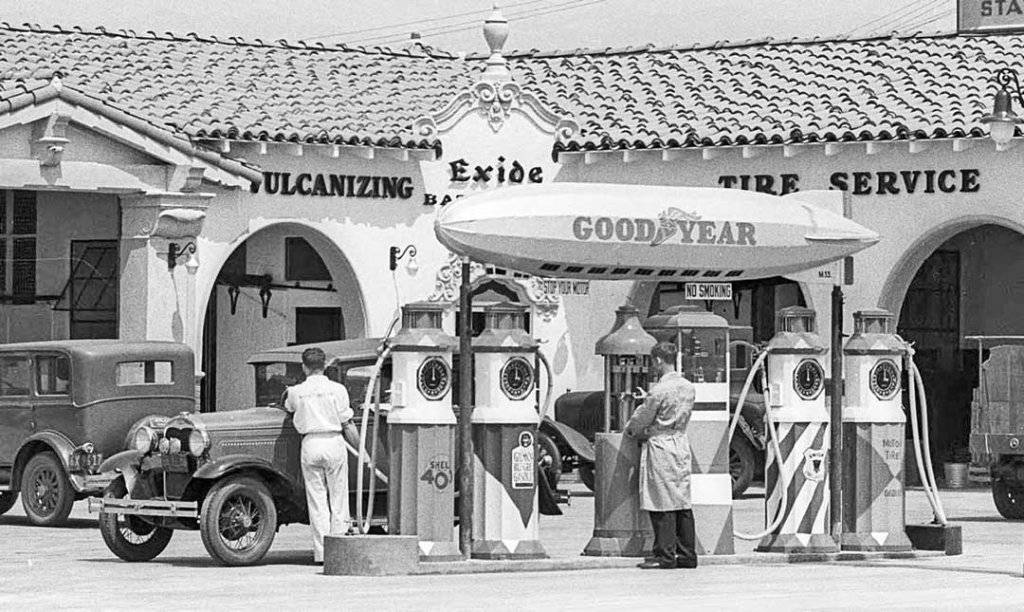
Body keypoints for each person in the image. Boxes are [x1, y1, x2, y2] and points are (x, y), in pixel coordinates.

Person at [625, 341, 698, 570]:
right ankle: (687, 555)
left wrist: (631, 430)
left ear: (658, 360)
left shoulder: (659, 390)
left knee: (661, 501)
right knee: (682, 501)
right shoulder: (688, 386)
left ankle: (665, 556)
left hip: (661, 445)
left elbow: (642, 418)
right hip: (681, 443)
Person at [284, 347, 356, 564]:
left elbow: (288, 407)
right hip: (334, 440)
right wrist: (362, 451)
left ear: (304, 367)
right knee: (338, 497)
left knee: (317, 501)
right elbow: (348, 423)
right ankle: (339, 550)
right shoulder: (338, 389)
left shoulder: (296, 391)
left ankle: (322, 553)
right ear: (324, 365)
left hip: (310, 442)